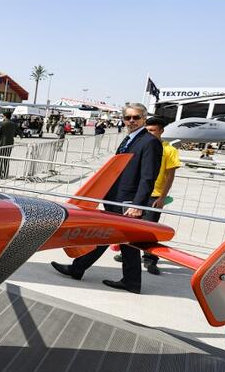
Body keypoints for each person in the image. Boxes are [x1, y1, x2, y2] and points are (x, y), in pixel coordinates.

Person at [51, 103, 163, 294]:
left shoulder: (150, 142)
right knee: (107, 235)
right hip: (115, 198)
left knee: (127, 242)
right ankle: (80, 268)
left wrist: (137, 205)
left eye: (136, 117)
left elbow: (148, 177)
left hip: (127, 202)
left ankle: (131, 282)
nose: (131, 121)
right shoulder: (129, 139)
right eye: (128, 118)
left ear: (144, 118)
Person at [113, 116, 181, 275]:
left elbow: (170, 176)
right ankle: (129, 254)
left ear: (161, 131)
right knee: (130, 229)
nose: (149, 133)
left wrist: (162, 197)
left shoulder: (169, 150)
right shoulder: (141, 145)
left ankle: (151, 260)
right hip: (135, 195)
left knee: (149, 231)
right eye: (147, 130)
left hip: (154, 196)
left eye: (152, 131)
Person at [0, 112, 17, 179]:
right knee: (6, 159)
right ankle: (6, 173)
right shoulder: (13, 124)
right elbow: (18, 132)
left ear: (4, 116)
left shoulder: (1, 123)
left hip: (1, 144)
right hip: (9, 144)